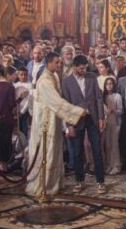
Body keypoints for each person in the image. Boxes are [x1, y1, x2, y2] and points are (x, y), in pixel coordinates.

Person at [25, 52, 87, 199]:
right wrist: (77, 111)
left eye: (60, 62)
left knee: (54, 151)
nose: (60, 65)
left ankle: (53, 183)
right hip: (45, 123)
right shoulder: (45, 81)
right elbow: (56, 102)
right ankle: (42, 186)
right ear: (49, 63)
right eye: (57, 62)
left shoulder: (54, 76)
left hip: (54, 120)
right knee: (46, 152)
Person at [61, 55, 106, 193]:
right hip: (76, 120)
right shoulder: (66, 82)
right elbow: (66, 105)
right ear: (74, 67)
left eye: (85, 67)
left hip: (92, 118)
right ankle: (79, 181)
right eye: (81, 68)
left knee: (97, 150)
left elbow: (98, 98)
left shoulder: (92, 77)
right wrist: (69, 126)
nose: (84, 70)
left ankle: (100, 182)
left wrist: (101, 117)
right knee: (77, 152)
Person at [100, 76, 122, 174]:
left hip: (115, 122)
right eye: (107, 84)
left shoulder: (117, 96)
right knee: (107, 145)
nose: (109, 86)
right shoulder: (103, 97)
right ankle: (109, 164)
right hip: (106, 123)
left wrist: (114, 111)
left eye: (111, 84)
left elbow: (121, 111)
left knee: (114, 145)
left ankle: (116, 165)